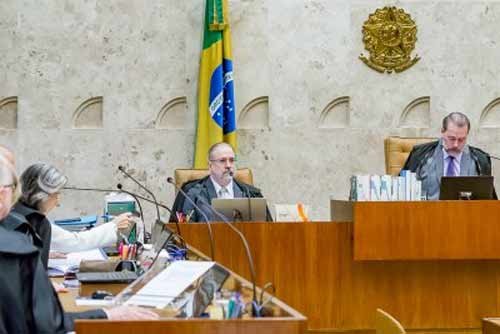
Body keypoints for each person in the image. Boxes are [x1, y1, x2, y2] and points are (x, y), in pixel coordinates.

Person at [0, 155, 158, 333]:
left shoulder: (17, 227)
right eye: (56, 194)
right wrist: (107, 314)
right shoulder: (20, 236)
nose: (58, 202)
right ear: (4, 193)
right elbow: (48, 324)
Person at [7, 163, 133, 269]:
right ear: (42, 194)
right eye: (56, 194)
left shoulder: (14, 212)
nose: (58, 202)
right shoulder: (34, 221)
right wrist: (114, 225)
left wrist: (46, 253)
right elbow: (76, 241)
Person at [170, 142, 271, 222]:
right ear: (210, 166)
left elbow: (266, 231)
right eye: (222, 161)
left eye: (231, 160)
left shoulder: (251, 194)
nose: (228, 165)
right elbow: (183, 232)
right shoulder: (192, 194)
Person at [401, 112, 492, 199]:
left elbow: (487, 200)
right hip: (427, 213)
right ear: (442, 132)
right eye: (452, 139)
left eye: (461, 140)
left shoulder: (480, 160)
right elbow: (402, 191)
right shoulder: (420, 155)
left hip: (465, 213)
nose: (456, 145)